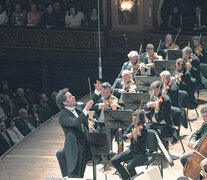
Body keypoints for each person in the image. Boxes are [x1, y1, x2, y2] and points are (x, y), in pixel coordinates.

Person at [56, 81, 101, 178]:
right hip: (75, 148)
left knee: (81, 174)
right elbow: (76, 122)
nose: (73, 97)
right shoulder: (63, 116)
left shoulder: (76, 107)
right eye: (70, 96)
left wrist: (97, 91)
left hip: (83, 145)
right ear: (65, 102)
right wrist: (85, 110)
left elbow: (91, 104)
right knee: (75, 176)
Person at [111, 111, 147, 180]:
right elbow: (124, 135)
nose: (133, 121)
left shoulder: (144, 129)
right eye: (133, 119)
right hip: (130, 150)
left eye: (135, 119)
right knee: (113, 160)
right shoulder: (132, 125)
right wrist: (128, 135)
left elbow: (139, 145)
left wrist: (135, 137)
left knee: (129, 166)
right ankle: (126, 178)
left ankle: (134, 178)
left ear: (140, 120)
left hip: (140, 153)